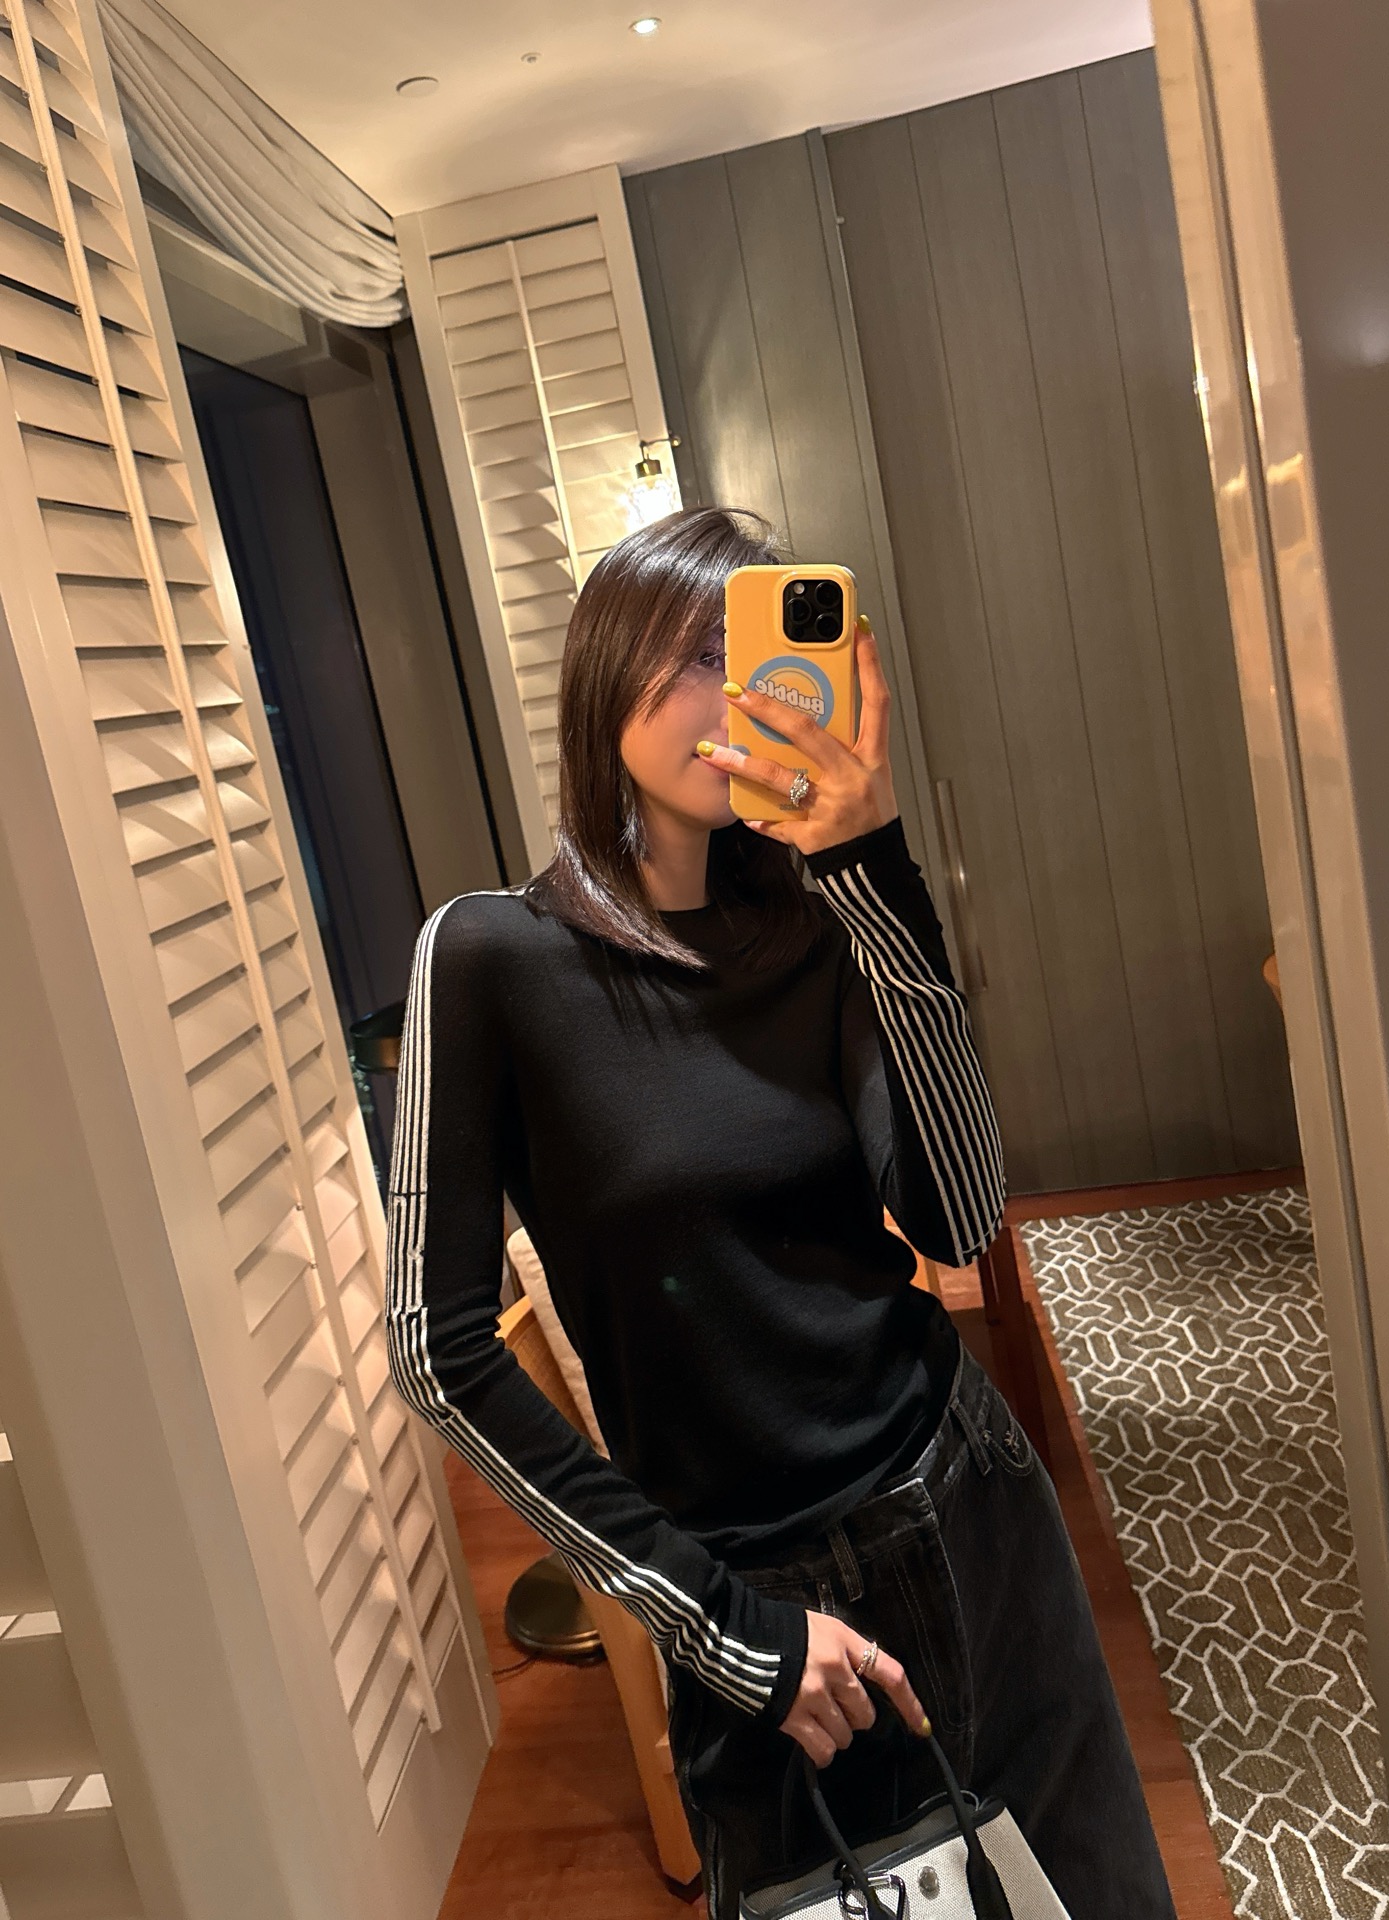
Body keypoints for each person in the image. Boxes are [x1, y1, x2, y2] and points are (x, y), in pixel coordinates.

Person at [384, 507, 1176, 1918]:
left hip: (968, 1502)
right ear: (607, 672)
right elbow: (436, 1348)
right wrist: (722, 1629)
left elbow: (958, 1215)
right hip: (764, 1604)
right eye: (693, 653)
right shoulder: (489, 955)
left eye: (749, 656)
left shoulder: (816, 927)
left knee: (1102, 1894)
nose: (733, 694)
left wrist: (874, 868)